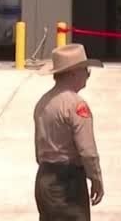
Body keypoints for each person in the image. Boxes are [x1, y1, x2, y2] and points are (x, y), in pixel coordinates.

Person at [34, 43, 106, 219]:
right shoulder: (75, 105)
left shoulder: (43, 102)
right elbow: (87, 151)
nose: (88, 76)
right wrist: (96, 179)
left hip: (44, 177)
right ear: (73, 73)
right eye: (86, 71)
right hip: (67, 182)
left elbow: (38, 149)